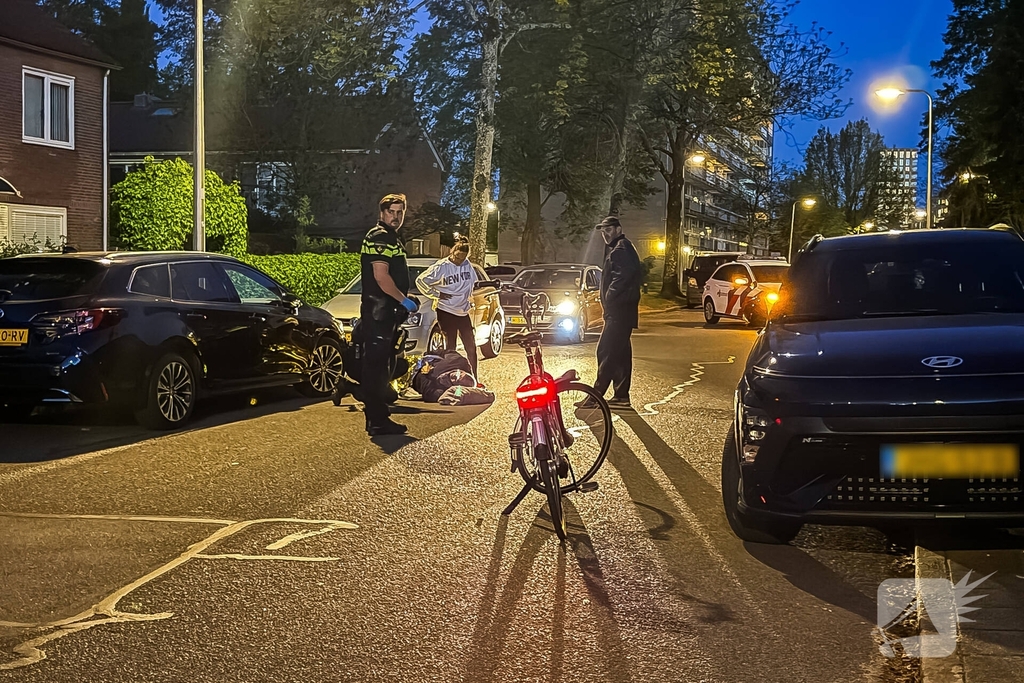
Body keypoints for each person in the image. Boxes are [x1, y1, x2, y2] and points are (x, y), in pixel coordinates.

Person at [359, 193, 418, 436]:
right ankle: (377, 419)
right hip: (379, 312)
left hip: (384, 312)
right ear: (382, 213)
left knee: (383, 365)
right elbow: (381, 277)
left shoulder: (389, 237)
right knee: (376, 368)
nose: (395, 217)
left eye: (399, 212)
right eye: (391, 212)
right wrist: (403, 299)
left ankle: (378, 414)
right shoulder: (380, 237)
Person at [587, 216, 642, 408]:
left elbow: (622, 277)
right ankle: (621, 396)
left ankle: (595, 397)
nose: (605, 234)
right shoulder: (623, 248)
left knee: (606, 351)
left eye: (608, 230)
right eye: (603, 231)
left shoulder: (621, 250)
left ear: (618, 229)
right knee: (620, 354)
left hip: (618, 312)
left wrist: (610, 299)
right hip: (621, 311)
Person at [415, 237, 485, 386]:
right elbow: (421, 280)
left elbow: (472, 283)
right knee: (450, 346)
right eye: (457, 257)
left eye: (463, 258)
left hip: (462, 311)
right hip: (446, 310)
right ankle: (450, 379)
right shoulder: (442, 266)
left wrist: (469, 298)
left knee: (470, 346)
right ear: (452, 253)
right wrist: (436, 294)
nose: (459, 260)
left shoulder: (467, 265)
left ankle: (474, 379)